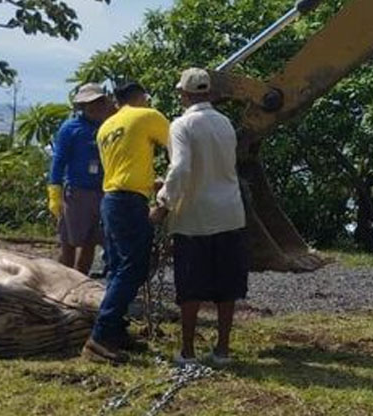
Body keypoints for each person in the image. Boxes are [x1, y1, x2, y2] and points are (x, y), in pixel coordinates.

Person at [152, 68, 248, 365]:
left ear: (184, 94)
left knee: (190, 287)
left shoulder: (182, 125)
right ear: (208, 93)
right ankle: (222, 350)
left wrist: (163, 202)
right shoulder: (226, 123)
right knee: (226, 287)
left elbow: (180, 169)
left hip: (195, 216)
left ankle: (188, 351)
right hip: (230, 213)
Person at [81, 82, 170, 364]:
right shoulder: (147, 116)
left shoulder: (106, 127)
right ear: (142, 97)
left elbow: (125, 167)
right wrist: (171, 187)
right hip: (130, 202)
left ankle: (116, 331)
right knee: (134, 267)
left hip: (111, 200)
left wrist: (149, 181)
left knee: (118, 268)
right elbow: (178, 150)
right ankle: (101, 336)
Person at [47, 83, 113, 276]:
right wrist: (54, 191)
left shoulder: (109, 126)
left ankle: (81, 280)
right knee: (68, 242)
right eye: (91, 103)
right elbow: (59, 160)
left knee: (90, 241)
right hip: (77, 192)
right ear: (83, 106)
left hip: (102, 191)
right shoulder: (70, 128)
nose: (97, 107)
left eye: (100, 102)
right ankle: (63, 281)